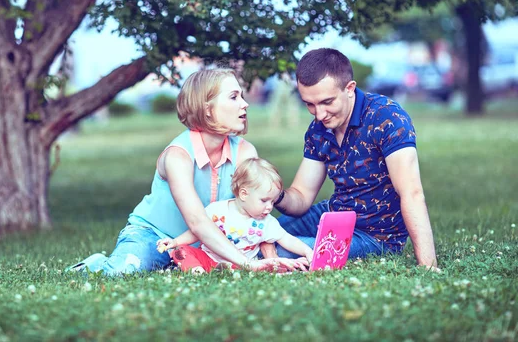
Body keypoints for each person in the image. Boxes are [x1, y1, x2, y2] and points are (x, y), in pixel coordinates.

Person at [66, 68, 299, 275]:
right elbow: (197, 221)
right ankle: (94, 265)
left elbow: (256, 213)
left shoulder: (246, 152)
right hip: (156, 236)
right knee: (126, 270)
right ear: (207, 109)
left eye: (242, 96)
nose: (245, 104)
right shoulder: (178, 156)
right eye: (233, 97)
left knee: (291, 257)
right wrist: (247, 264)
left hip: (216, 243)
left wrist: (270, 258)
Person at [263, 48, 438, 269]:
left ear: (350, 89)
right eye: (309, 104)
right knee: (261, 232)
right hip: (334, 215)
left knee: (284, 249)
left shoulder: (387, 117)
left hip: (375, 236)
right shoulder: (319, 128)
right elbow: (301, 196)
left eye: (327, 102)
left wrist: (428, 265)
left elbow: (411, 192)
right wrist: (275, 195)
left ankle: (266, 257)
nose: (319, 114)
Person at [156, 157, 313, 273]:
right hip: (209, 259)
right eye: (264, 200)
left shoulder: (266, 222)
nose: (269, 207)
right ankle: (197, 271)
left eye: (273, 202)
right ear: (244, 194)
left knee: (270, 266)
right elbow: (196, 233)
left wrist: (307, 251)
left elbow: (287, 239)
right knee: (181, 251)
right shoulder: (217, 210)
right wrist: (175, 241)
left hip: (242, 265)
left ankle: (216, 271)